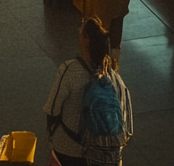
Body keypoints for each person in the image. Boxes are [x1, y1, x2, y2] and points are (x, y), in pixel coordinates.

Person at [45, 18, 134, 166]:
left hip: (69, 149)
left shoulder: (70, 69)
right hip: (105, 155)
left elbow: (52, 109)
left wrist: (52, 134)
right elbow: (126, 120)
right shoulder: (113, 77)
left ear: (86, 39)